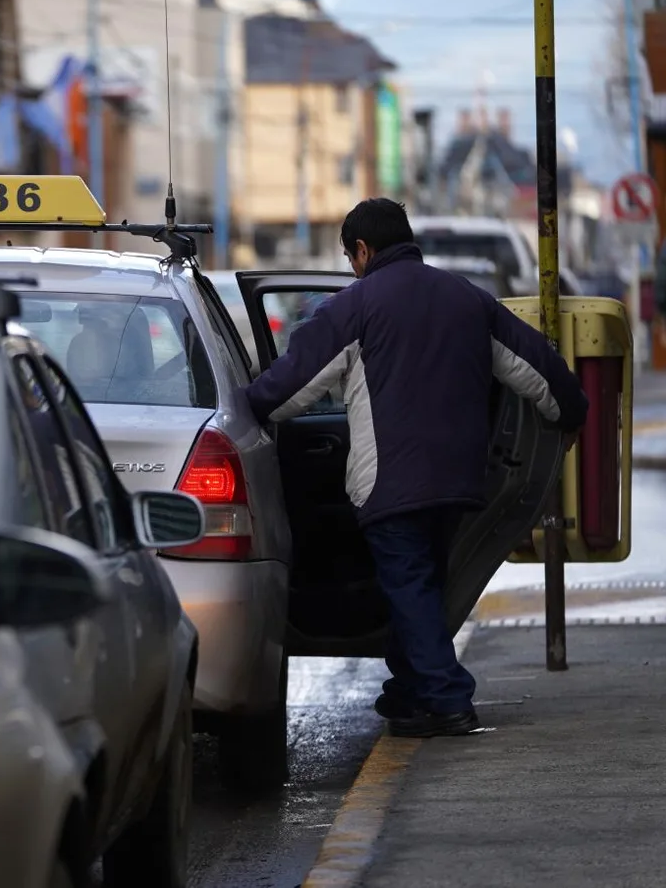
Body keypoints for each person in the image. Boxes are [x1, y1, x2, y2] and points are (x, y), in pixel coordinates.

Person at [244, 199, 589, 738]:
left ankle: (450, 700)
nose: (351, 268)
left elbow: (287, 388)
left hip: (388, 481)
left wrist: (242, 410)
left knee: (408, 586)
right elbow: (537, 367)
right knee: (423, 586)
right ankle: (407, 696)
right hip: (461, 478)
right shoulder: (467, 299)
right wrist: (570, 414)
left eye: (349, 257)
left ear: (362, 250)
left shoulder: (351, 309)